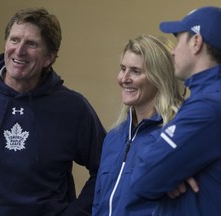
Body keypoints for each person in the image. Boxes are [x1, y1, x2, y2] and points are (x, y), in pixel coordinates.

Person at [0, 7, 106, 216]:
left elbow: (107, 168)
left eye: (32, 44)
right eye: (14, 40)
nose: (19, 50)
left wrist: (77, 212)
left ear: (49, 57)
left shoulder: (73, 108)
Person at [130, 6, 221, 216]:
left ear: (196, 42)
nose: (173, 50)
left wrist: (167, 171)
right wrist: (172, 170)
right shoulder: (205, 98)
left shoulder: (207, 106)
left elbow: (143, 179)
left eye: (179, 40)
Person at [92, 35, 184, 216]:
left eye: (135, 71)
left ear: (159, 77)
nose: (123, 78)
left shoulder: (174, 137)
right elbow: (99, 203)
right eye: (123, 69)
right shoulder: (113, 137)